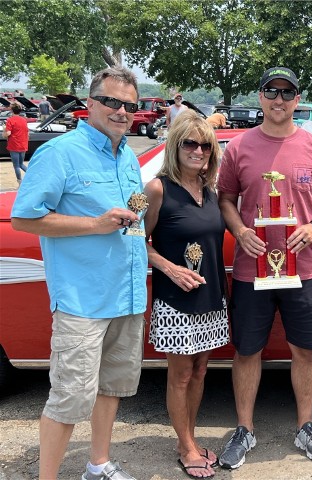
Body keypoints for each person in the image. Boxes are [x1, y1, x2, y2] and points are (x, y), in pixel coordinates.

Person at [11, 67, 147, 480]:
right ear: (91, 103)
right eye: (112, 102)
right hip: (82, 300)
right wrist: (95, 224)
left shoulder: (127, 156)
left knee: (112, 389)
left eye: (129, 105)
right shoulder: (61, 152)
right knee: (69, 398)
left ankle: (98, 464)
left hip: (126, 294)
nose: (121, 111)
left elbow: (134, 220)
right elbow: (24, 218)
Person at [217, 66, 312, 469]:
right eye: (272, 91)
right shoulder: (238, 147)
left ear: (297, 100)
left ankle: (306, 425)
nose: (279, 100)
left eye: (287, 93)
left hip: (303, 269)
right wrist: (238, 230)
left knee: (305, 350)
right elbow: (225, 199)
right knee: (247, 350)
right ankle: (244, 428)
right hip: (251, 269)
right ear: (260, 97)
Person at [143, 110, 229, 479]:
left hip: (210, 296)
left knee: (200, 370)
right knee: (180, 375)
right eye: (190, 144)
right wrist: (168, 267)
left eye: (205, 145)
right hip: (176, 298)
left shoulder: (210, 191)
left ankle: (188, 439)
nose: (198, 151)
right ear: (175, 146)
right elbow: (136, 241)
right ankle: (185, 447)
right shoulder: (158, 189)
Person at [2, 103, 29, 185]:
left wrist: (4, 131)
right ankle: (31, 176)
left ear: (11, 110)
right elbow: (27, 132)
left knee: (16, 165)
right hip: (23, 144)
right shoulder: (24, 120)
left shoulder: (10, 120)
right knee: (21, 164)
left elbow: (8, 133)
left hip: (14, 144)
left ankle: (20, 181)